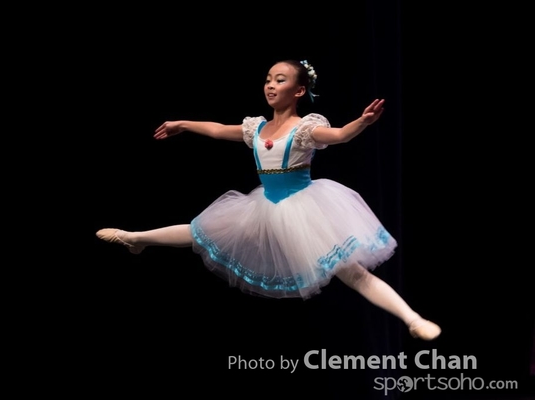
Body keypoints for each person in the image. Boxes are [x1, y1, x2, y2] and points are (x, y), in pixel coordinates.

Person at [96, 59, 441, 341]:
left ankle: (413, 319)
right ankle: (134, 238)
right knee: (200, 231)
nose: (271, 85)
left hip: (305, 209)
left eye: (280, 80)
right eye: (268, 80)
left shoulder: (305, 128)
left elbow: (338, 135)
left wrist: (361, 123)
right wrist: (183, 124)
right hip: (264, 207)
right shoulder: (256, 129)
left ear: (299, 90)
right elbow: (218, 129)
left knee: (352, 274)